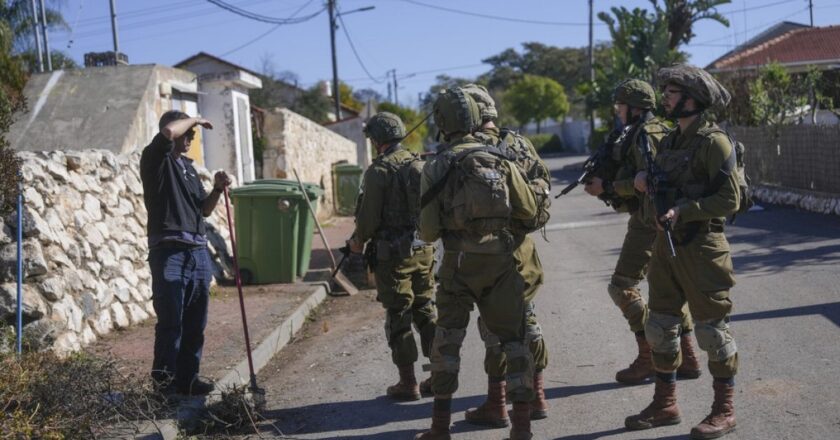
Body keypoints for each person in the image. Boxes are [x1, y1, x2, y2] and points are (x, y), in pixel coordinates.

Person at [625, 64, 740, 440]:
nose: (666, 99)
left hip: (702, 248)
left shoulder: (714, 141)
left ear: (693, 99)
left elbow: (729, 198)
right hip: (666, 246)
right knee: (659, 326)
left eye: (673, 93)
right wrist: (641, 182)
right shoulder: (672, 140)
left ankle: (724, 410)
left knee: (711, 331)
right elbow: (660, 184)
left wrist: (684, 211)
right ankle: (665, 403)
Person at [416, 88, 537, 440]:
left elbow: (426, 232)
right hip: (502, 264)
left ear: (441, 122)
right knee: (515, 342)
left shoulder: (436, 165)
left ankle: (440, 428)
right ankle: (522, 429)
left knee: (447, 341)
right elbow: (529, 212)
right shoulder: (501, 158)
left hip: (458, 264)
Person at [582, 79, 702, 385]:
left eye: (620, 105)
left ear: (634, 108)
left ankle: (649, 355)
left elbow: (647, 181)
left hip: (649, 220)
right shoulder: (660, 128)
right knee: (669, 291)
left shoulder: (644, 134)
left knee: (622, 287)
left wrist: (606, 187)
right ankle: (688, 357)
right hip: (663, 220)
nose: (617, 111)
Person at [460, 84, 550, 427]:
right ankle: (536, 394)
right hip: (522, 249)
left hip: (483, 254)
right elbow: (542, 188)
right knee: (526, 320)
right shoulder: (519, 143)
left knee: (493, 327)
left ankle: (498, 403)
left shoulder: (466, 149)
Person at [346, 112, 437, 401]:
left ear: (376, 140)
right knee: (425, 309)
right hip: (422, 250)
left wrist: (357, 241)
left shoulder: (378, 171)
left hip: (392, 256)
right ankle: (438, 375)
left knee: (399, 313)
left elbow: (369, 218)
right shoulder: (419, 164)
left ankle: (408, 382)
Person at [140, 110, 231, 396]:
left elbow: (203, 209)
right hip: (169, 252)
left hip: (197, 252)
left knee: (195, 322)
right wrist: (197, 119)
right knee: (171, 321)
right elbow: (168, 134)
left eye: (193, 134)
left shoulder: (189, 169)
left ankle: (188, 379)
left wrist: (217, 189)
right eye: (188, 132)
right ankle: (165, 385)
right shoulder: (156, 159)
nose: (191, 137)